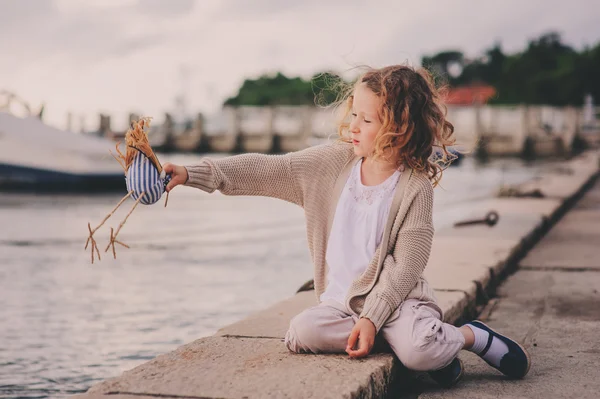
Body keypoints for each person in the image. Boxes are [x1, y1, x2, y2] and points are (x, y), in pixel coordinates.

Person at [163, 64, 530, 388]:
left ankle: (469, 337)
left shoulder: (414, 188)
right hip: (341, 304)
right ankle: (425, 348)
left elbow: (407, 267)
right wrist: (192, 173)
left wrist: (373, 318)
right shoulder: (332, 164)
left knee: (418, 352)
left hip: (398, 302)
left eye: (366, 120)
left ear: (399, 129)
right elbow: (268, 169)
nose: (352, 126)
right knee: (301, 332)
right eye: (354, 114)